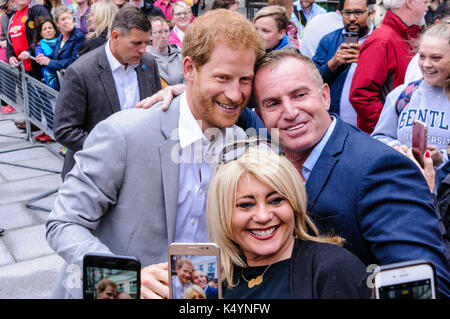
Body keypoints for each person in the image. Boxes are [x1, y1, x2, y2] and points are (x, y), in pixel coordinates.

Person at [46, 8, 264, 299]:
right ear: (189, 69)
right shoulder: (125, 134)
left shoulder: (239, 144)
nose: (236, 94)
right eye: (222, 77)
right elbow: (62, 224)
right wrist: (127, 278)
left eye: (244, 80)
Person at [252, 49, 450, 298]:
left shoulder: (380, 167)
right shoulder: (266, 166)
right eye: (273, 103)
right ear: (260, 117)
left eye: (300, 95)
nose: (290, 112)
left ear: (325, 96)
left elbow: (424, 285)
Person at [208, 143, 372, 298]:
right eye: (246, 205)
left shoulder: (334, 268)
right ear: (222, 213)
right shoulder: (217, 282)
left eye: (275, 200)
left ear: (294, 202)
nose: (263, 216)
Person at [52, 6, 161, 181]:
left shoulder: (148, 64)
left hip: (138, 171)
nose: (143, 50)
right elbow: (64, 130)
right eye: (136, 43)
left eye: (146, 43)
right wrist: (110, 148)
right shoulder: (81, 71)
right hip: (92, 174)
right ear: (116, 36)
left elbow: (156, 112)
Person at [371, 21, 450, 188]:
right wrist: (397, 149)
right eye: (422, 56)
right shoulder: (403, 94)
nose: (426, 64)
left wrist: (441, 158)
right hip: (403, 192)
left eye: (436, 58)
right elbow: (378, 138)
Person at [349, 0, 427, 134]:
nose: (427, 7)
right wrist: (390, 129)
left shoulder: (407, 37)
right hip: (387, 142)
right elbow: (361, 95)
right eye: (424, 1)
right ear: (410, 3)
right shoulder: (382, 40)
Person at [312, 0, 375, 126]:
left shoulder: (380, 41)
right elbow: (311, 82)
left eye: (358, 12)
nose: (351, 18)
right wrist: (332, 64)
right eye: (347, 13)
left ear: (371, 13)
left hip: (369, 126)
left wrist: (365, 63)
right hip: (334, 123)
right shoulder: (329, 41)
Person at [35, 6, 85, 91]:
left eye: (69, 18)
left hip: (75, 85)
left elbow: (73, 62)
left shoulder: (78, 37)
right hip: (63, 85)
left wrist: (49, 62)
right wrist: (43, 58)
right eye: (63, 19)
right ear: (57, 23)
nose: (67, 21)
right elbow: (55, 55)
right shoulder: (60, 38)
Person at [6, 0, 51, 80]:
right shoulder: (12, 16)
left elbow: (48, 33)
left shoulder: (37, 9)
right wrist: (10, 56)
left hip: (38, 67)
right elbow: (9, 40)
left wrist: (30, 51)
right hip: (21, 69)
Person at [147, 16, 184, 88]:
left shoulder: (180, 55)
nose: (163, 36)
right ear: (150, 36)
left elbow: (188, 82)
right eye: (159, 32)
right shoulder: (144, 58)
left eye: (166, 31)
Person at [33, 16, 59, 89]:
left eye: (50, 28)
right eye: (44, 29)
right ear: (40, 33)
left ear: (55, 30)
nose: (48, 30)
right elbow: (42, 60)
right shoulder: (39, 47)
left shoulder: (63, 42)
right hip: (51, 79)